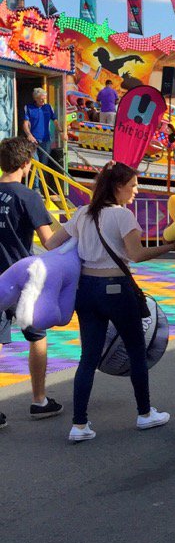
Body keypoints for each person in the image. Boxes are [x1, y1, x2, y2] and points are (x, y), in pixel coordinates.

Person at [45, 161, 175, 441]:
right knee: (136, 351)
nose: (136, 191)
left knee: (88, 357)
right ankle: (145, 413)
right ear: (118, 187)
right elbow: (136, 255)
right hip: (117, 290)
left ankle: (79, 424)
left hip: (86, 290)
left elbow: (51, 244)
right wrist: (171, 246)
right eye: (133, 186)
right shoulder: (123, 216)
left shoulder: (83, 213)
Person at [0, 137, 64, 427]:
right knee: (37, 336)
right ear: (26, 164)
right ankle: (39, 400)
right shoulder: (28, 197)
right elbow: (50, 242)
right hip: (22, 279)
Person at [22, 87, 65, 175]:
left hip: (46, 141)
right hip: (33, 141)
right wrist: (29, 135)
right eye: (41, 99)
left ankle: (42, 187)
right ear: (36, 98)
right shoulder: (29, 108)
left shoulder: (48, 107)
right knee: (36, 163)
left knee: (44, 165)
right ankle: (36, 187)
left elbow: (55, 121)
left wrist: (61, 132)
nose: (43, 101)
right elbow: (25, 124)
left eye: (44, 99)